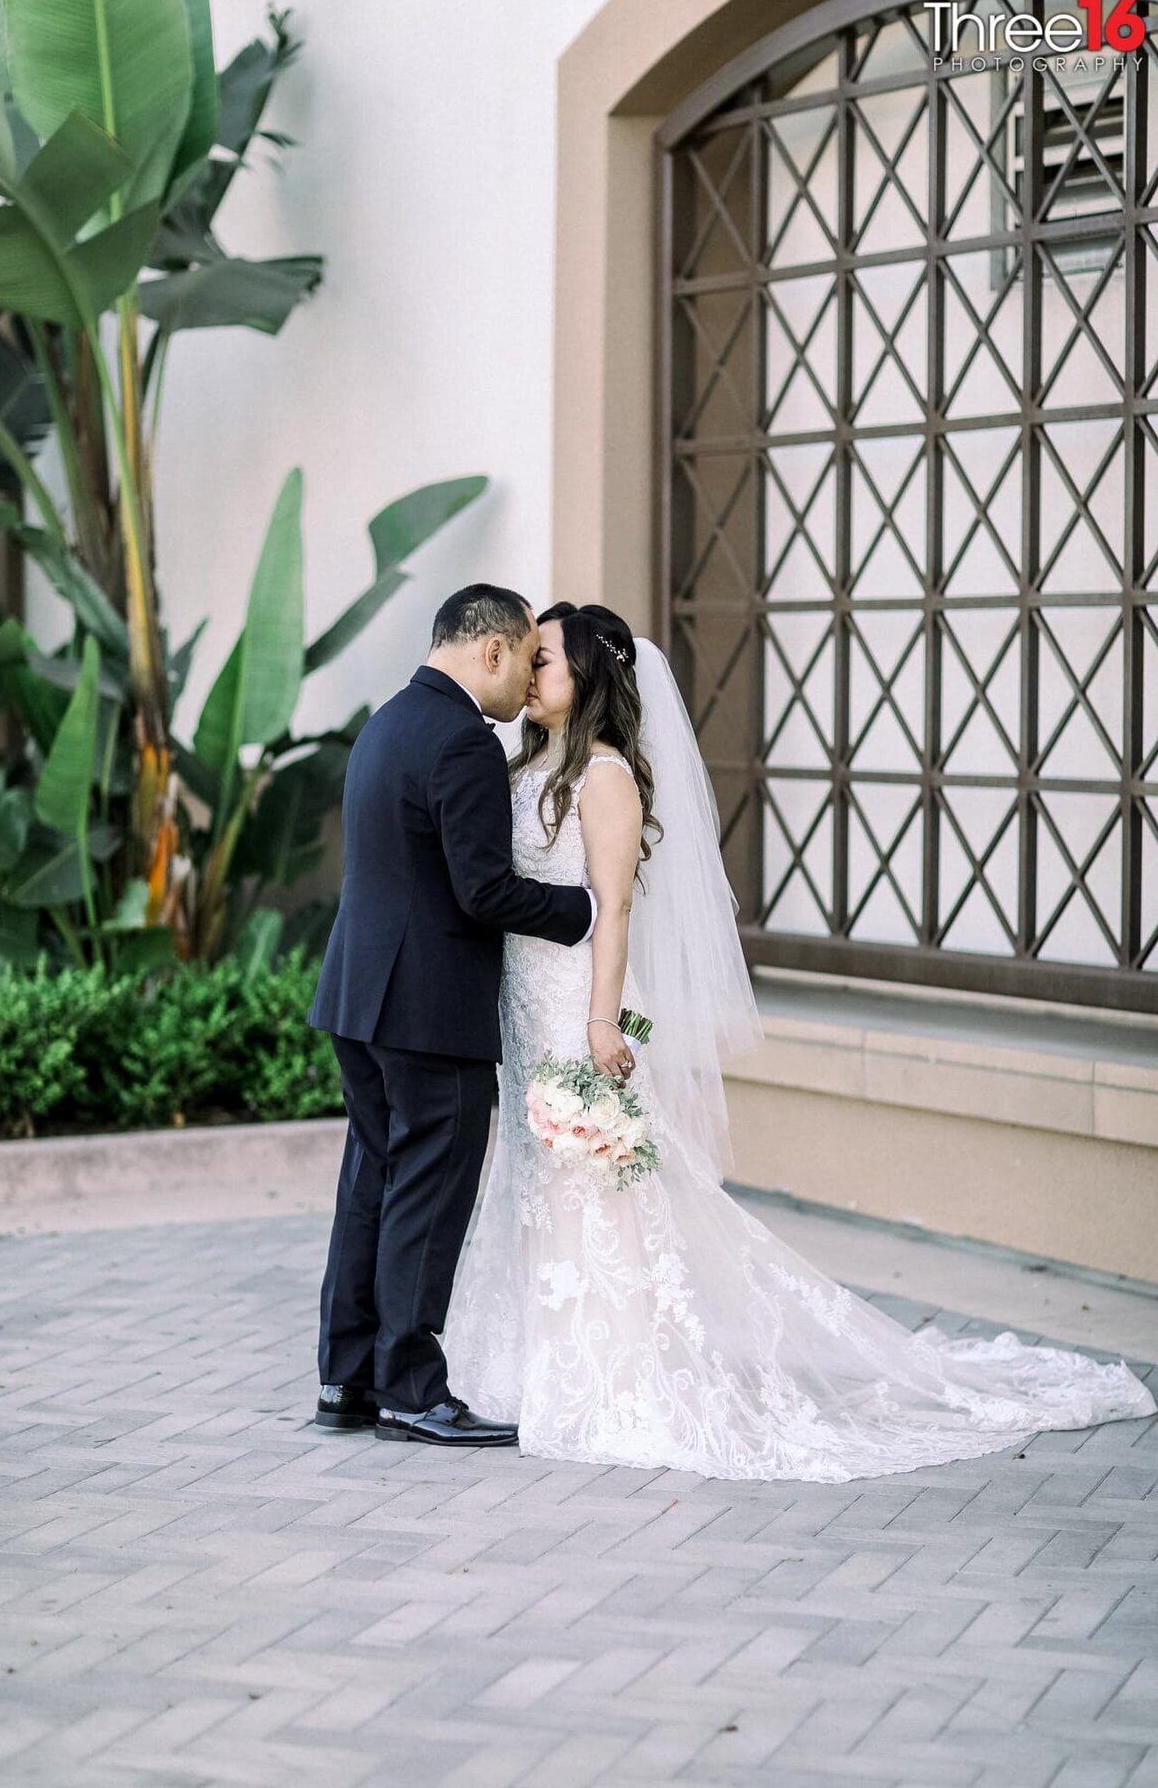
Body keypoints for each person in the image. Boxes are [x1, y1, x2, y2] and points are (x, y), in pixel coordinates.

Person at [443, 603, 1157, 1481]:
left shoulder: (605, 777)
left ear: (584, 679)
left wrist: (600, 1023)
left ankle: (614, 1372)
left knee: (600, 1186)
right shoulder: (528, 768)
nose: (526, 670)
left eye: (543, 658)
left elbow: (614, 910)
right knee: (535, 1179)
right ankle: (528, 1367)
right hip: (527, 1008)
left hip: (584, 1010)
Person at [307, 584, 605, 1447]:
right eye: (526, 660)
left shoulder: (387, 722)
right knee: (430, 1193)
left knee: (373, 1181)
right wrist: (579, 913)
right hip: (427, 1010)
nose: (525, 686)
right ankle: (410, 1389)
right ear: (493, 651)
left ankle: (346, 1379)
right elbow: (483, 891)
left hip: (358, 996)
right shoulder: (463, 742)